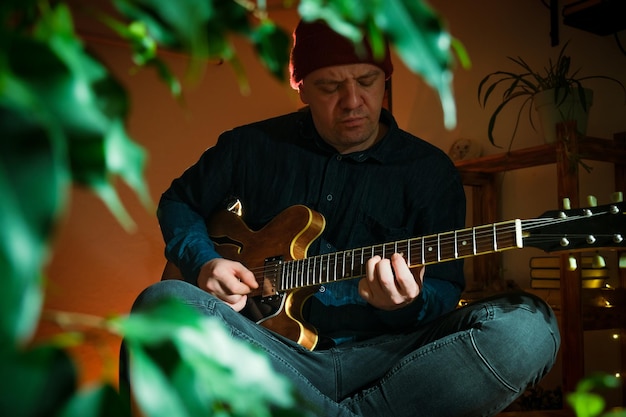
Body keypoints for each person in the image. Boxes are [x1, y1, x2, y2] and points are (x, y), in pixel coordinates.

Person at [129, 20, 560, 416]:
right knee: (163, 302)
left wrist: (406, 303)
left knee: (529, 329)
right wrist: (205, 261)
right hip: (272, 355)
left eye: (367, 81)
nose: (352, 102)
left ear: (385, 79)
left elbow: (443, 289)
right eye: (330, 86)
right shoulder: (250, 147)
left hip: (391, 361)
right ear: (300, 86)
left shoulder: (429, 172)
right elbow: (179, 201)